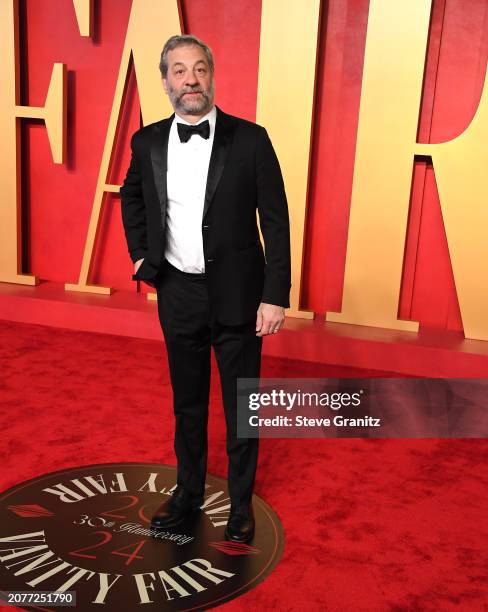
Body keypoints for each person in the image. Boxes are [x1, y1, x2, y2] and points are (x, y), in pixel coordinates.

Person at [120, 34, 290, 543]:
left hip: (240, 296)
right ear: (166, 80)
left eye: (198, 69)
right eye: (178, 70)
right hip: (178, 293)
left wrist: (275, 294)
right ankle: (187, 493)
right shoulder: (147, 141)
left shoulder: (252, 139)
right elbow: (132, 198)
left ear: (211, 76)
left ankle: (240, 506)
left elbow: (275, 222)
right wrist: (142, 254)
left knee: (242, 407)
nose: (189, 79)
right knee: (187, 404)